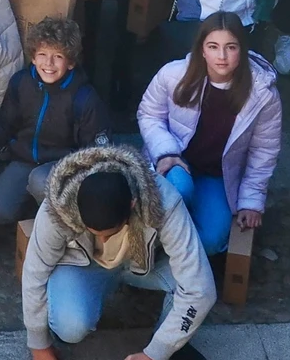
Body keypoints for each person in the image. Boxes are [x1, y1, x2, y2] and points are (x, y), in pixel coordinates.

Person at [20, 144, 215, 360]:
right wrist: (38, 344)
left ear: (132, 205)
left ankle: (167, 339)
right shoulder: (58, 206)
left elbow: (200, 289)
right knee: (70, 328)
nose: (103, 241)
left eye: (110, 233)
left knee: (188, 284)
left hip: (146, 264)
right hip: (84, 266)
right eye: (95, 233)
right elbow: (34, 272)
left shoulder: (164, 202)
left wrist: (156, 352)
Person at [138, 14, 281, 256]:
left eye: (231, 47)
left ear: (242, 50)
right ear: (202, 50)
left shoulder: (263, 94)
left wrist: (251, 201)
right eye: (213, 47)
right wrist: (166, 152)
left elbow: (264, 150)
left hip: (217, 176)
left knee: (211, 240)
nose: (222, 56)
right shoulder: (173, 75)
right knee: (179, 189)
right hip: (176, 162)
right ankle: (147, 249)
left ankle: (170, 260)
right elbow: (149, 114)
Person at [0, 16, 109, 224]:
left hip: (63, 164)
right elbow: (4, 125)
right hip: (25, 158)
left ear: (71, 62)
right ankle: (33, 206)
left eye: (58, 56)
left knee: (39, 180)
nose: (48, 63)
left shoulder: (84, 98)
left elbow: (96, 152)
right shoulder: (21, 82)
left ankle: (58, 221)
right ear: (33, 57)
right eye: (42, 54)